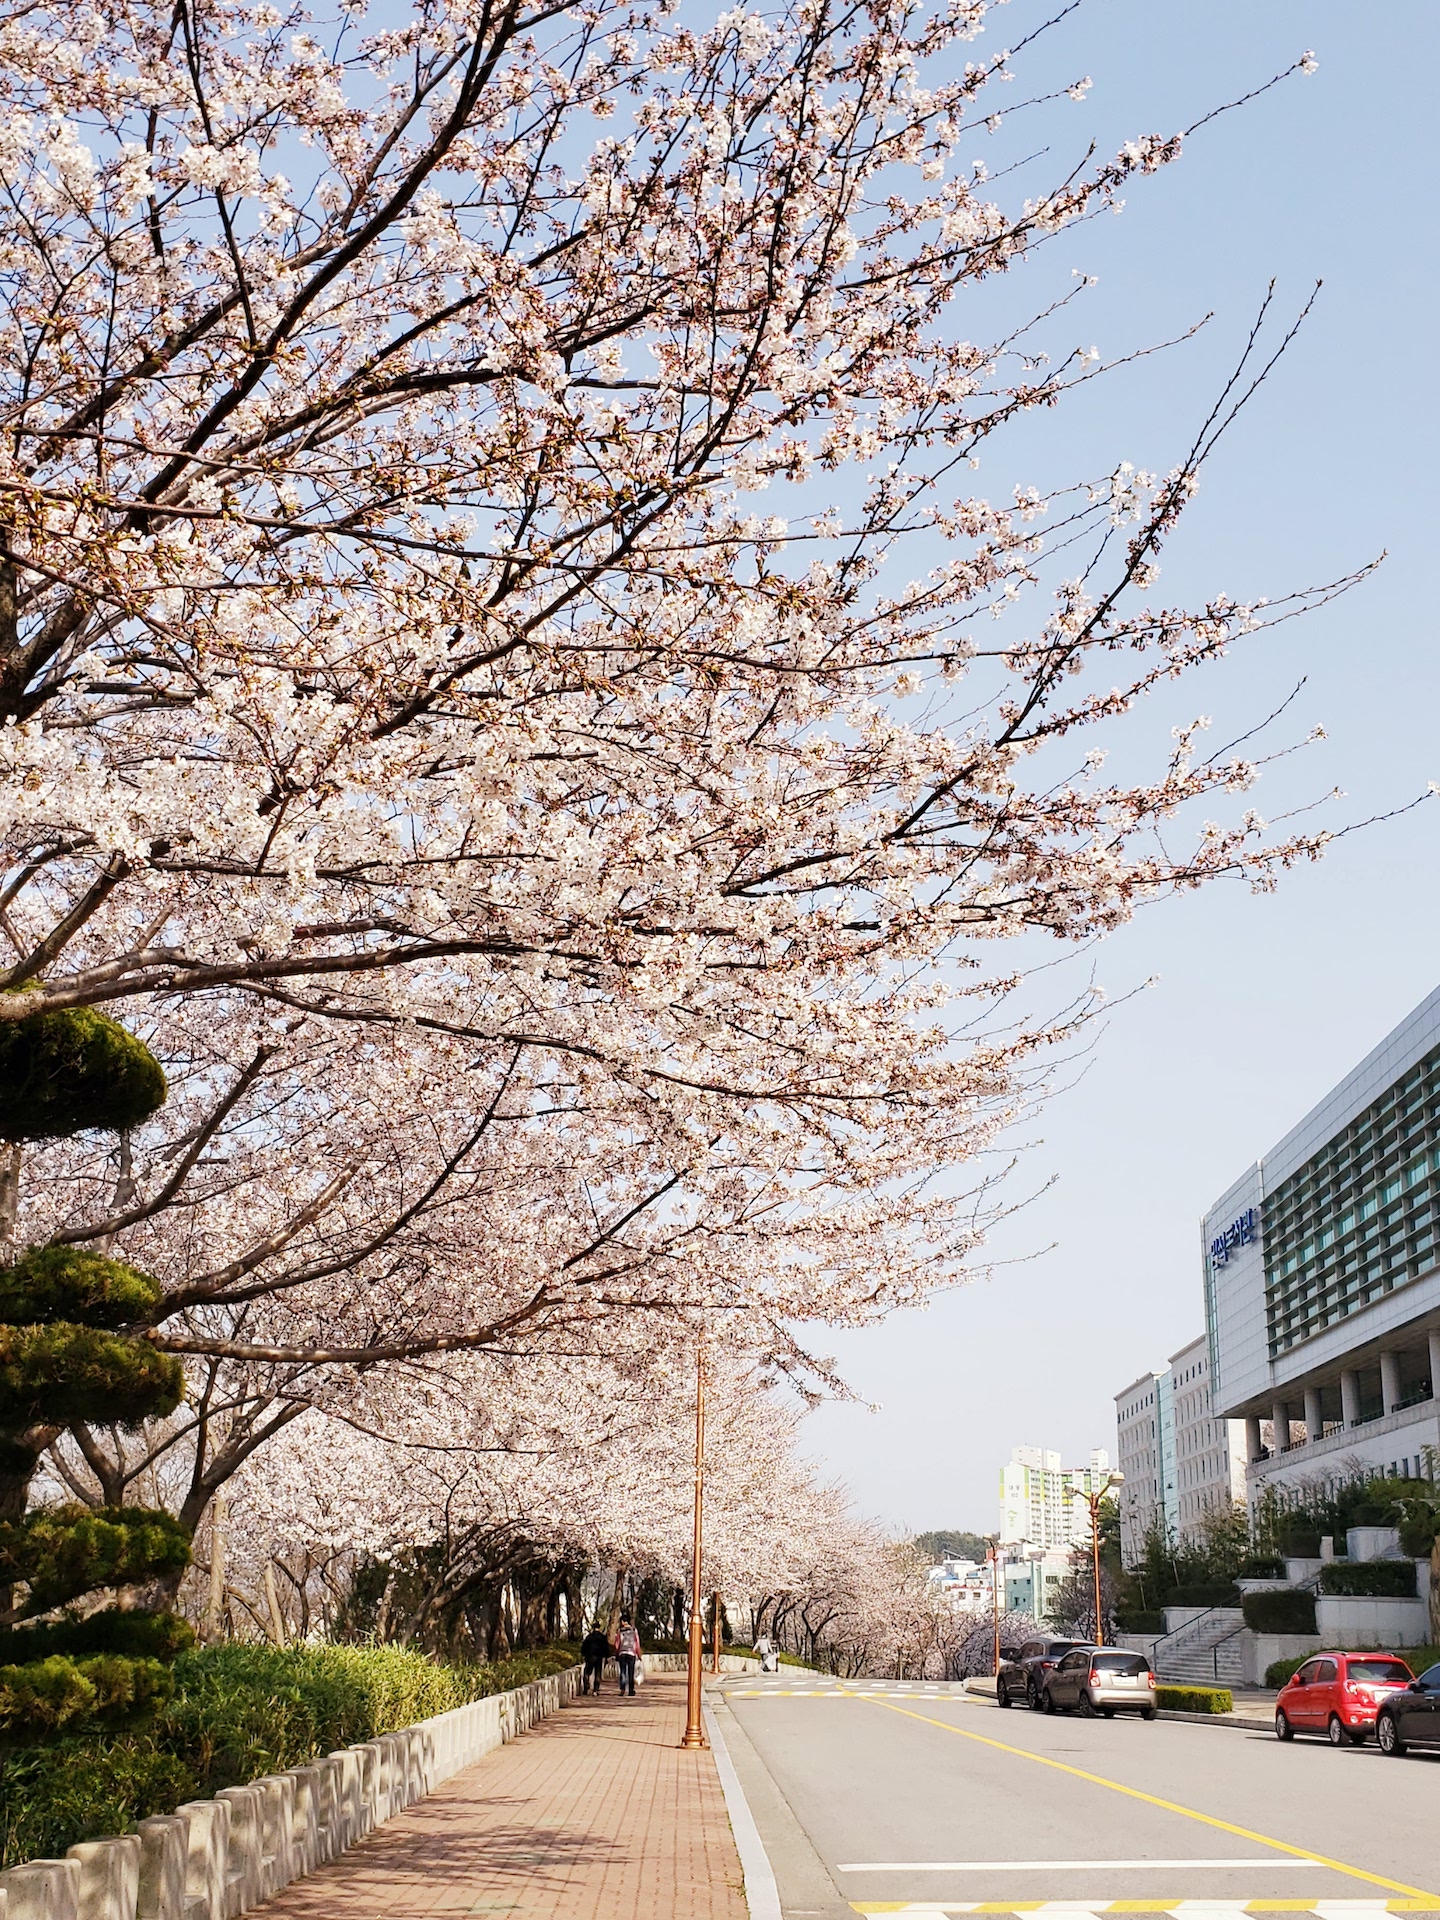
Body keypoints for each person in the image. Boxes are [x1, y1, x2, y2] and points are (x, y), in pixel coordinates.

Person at [614, 1613, 642, 1696]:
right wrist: (639, 1654)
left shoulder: (620, 1631)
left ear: (622, 1621)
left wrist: (616, 1653)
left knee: (623, 1672)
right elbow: (637, 1643)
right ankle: (631, 1690)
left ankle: (622, 1689)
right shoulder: (634, 1630)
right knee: (631, 1672)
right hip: (631, 1654)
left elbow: (617, 1644)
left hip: (622, 1653)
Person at [581, 1622, 612, 1695]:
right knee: (598, 1673)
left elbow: (584, 1647)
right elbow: (606, 1648)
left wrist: (584, 1654)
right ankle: (596, 1689)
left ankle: (586, 1687)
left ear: (593, 1628)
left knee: (587, 1672)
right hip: (599, 1657)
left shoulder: (589, 1637)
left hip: (590, 1657)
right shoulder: (602, 1637)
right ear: (599, 1628)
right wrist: (607, 1656)